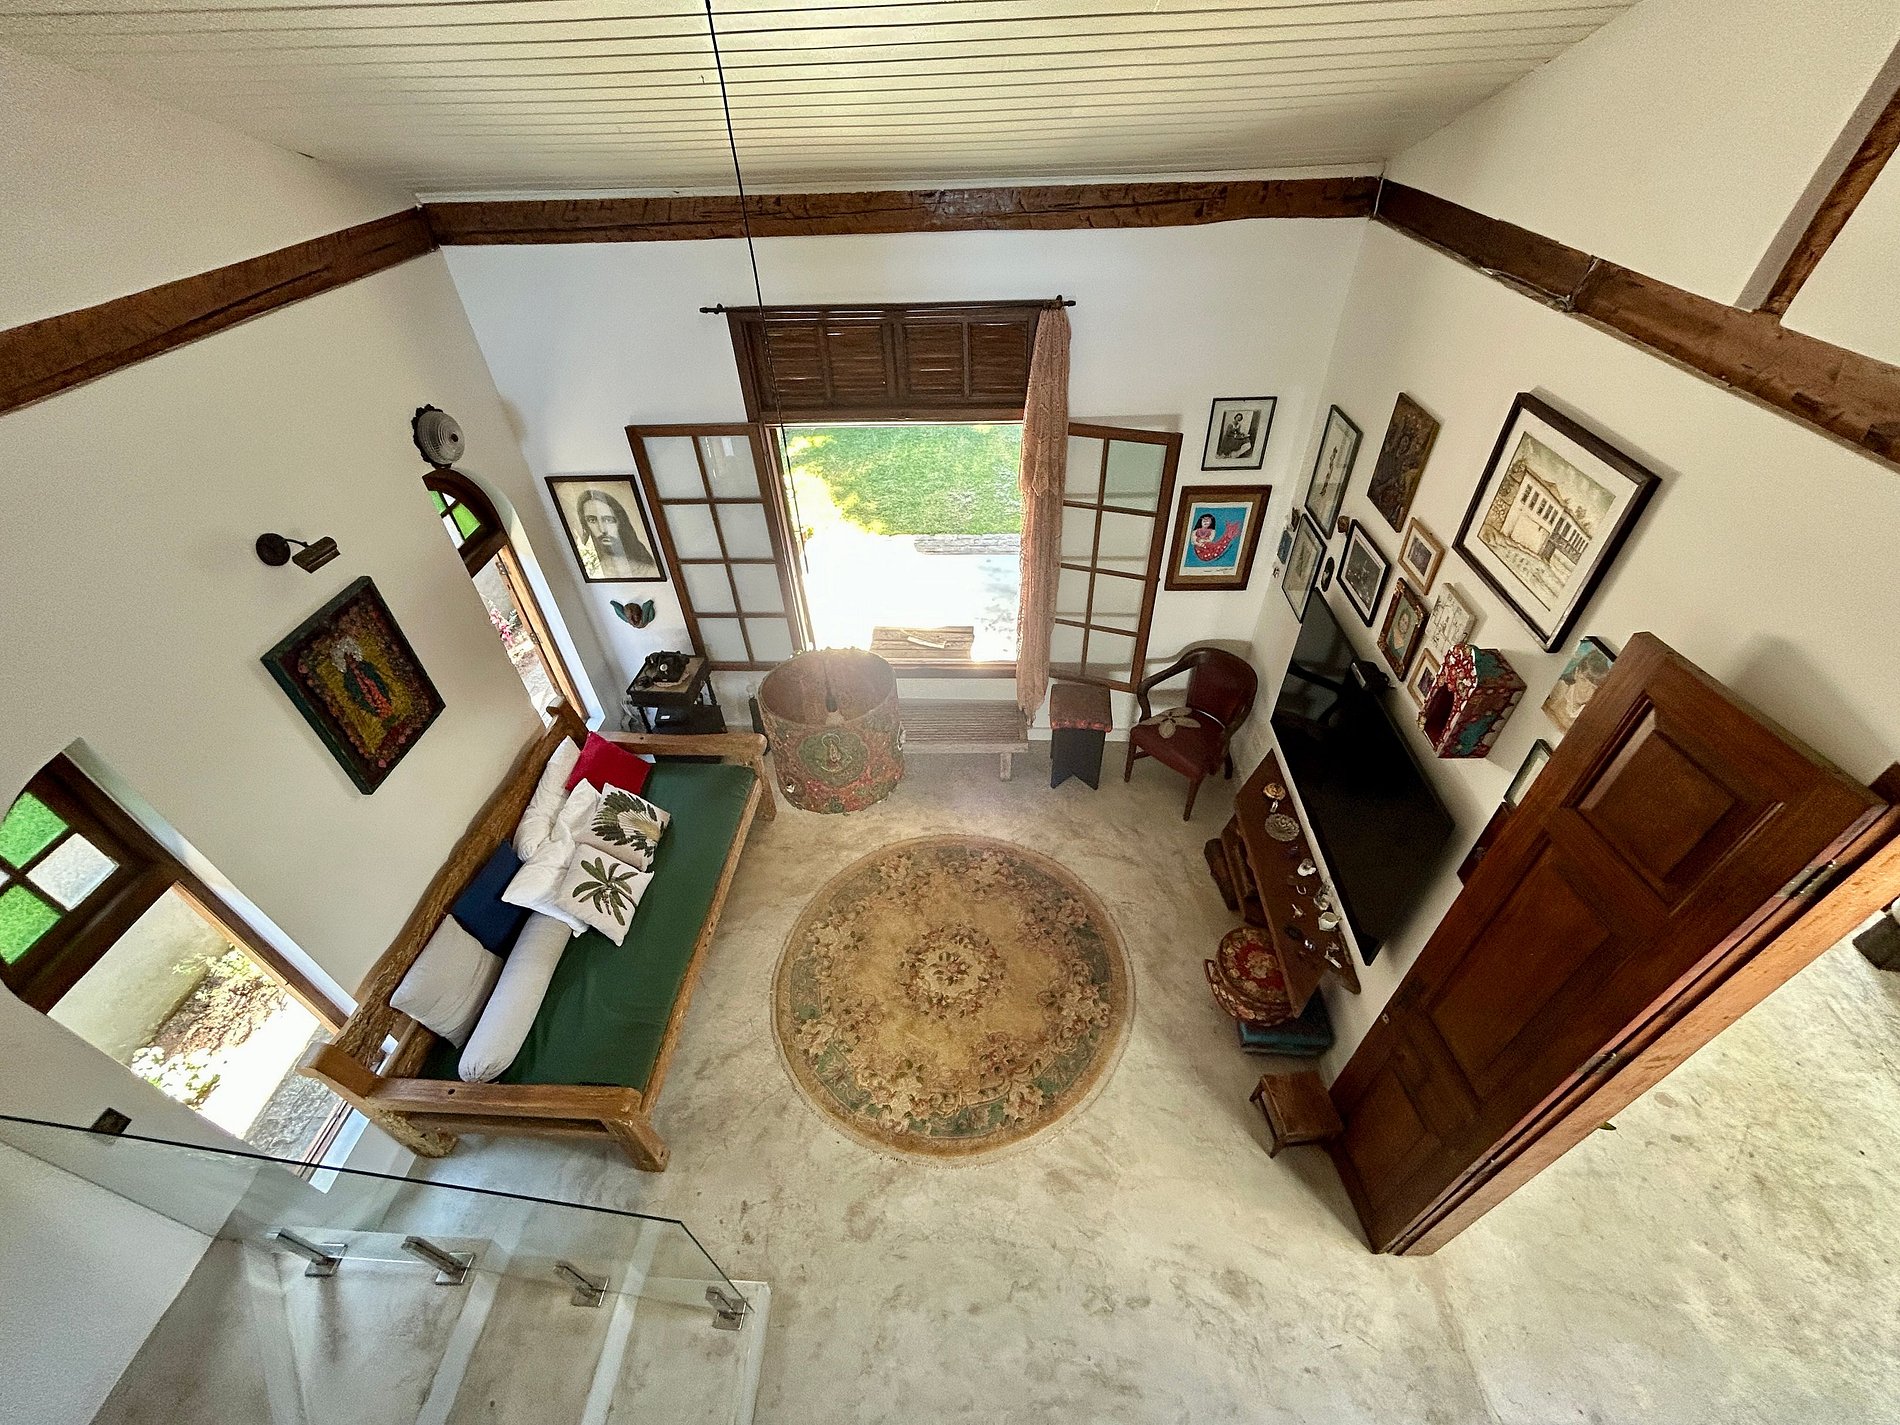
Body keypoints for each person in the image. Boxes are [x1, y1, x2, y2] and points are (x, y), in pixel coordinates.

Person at [575, 488, 656, 579]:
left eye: (608, 520)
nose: (602, 529)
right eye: (592, 520)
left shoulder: (647, 568)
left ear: (620, 522)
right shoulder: (592, 567)